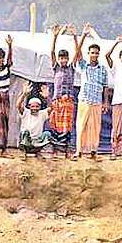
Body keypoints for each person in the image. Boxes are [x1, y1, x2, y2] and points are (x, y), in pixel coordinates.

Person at [72, 24, 109, 161]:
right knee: (81, 125)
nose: (94, 55)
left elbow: (105, 87)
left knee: (95, 127)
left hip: (97, 101)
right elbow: (77, 53)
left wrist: (105, 102)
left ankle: (93, 151)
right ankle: (79, 151)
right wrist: (81, 36)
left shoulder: (103, 69)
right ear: (89, 54)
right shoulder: (84, 66)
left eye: (96, 53)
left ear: (98, 54)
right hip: (85, 99)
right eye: (92, 52)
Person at [49, 24, 80, 160]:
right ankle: (55, 150)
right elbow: (51, 53)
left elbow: (77, 54)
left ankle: (67, 150)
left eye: (65, 58)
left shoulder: (71, 68)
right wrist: (55, 37)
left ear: (67, 59)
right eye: (61, 58)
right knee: (56, 124)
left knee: (67, 125)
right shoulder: (56, 68)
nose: (63, 60)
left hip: (68, 100)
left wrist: (75, 36)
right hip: (57, 100)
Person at [17, 82, 52, 160]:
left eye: (37, 106)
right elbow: (18, 105)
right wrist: (24, 94)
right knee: (25, 133)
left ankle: (38, 152)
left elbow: (51, 108)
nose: (35, 108)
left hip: (37, 141)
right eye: (32, 106)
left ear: (40, 107)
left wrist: (47, 98)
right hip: (26, 140)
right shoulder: (26, 112)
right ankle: (24, 152)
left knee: (47, 134)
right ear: (29, 106)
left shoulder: (42, 114)